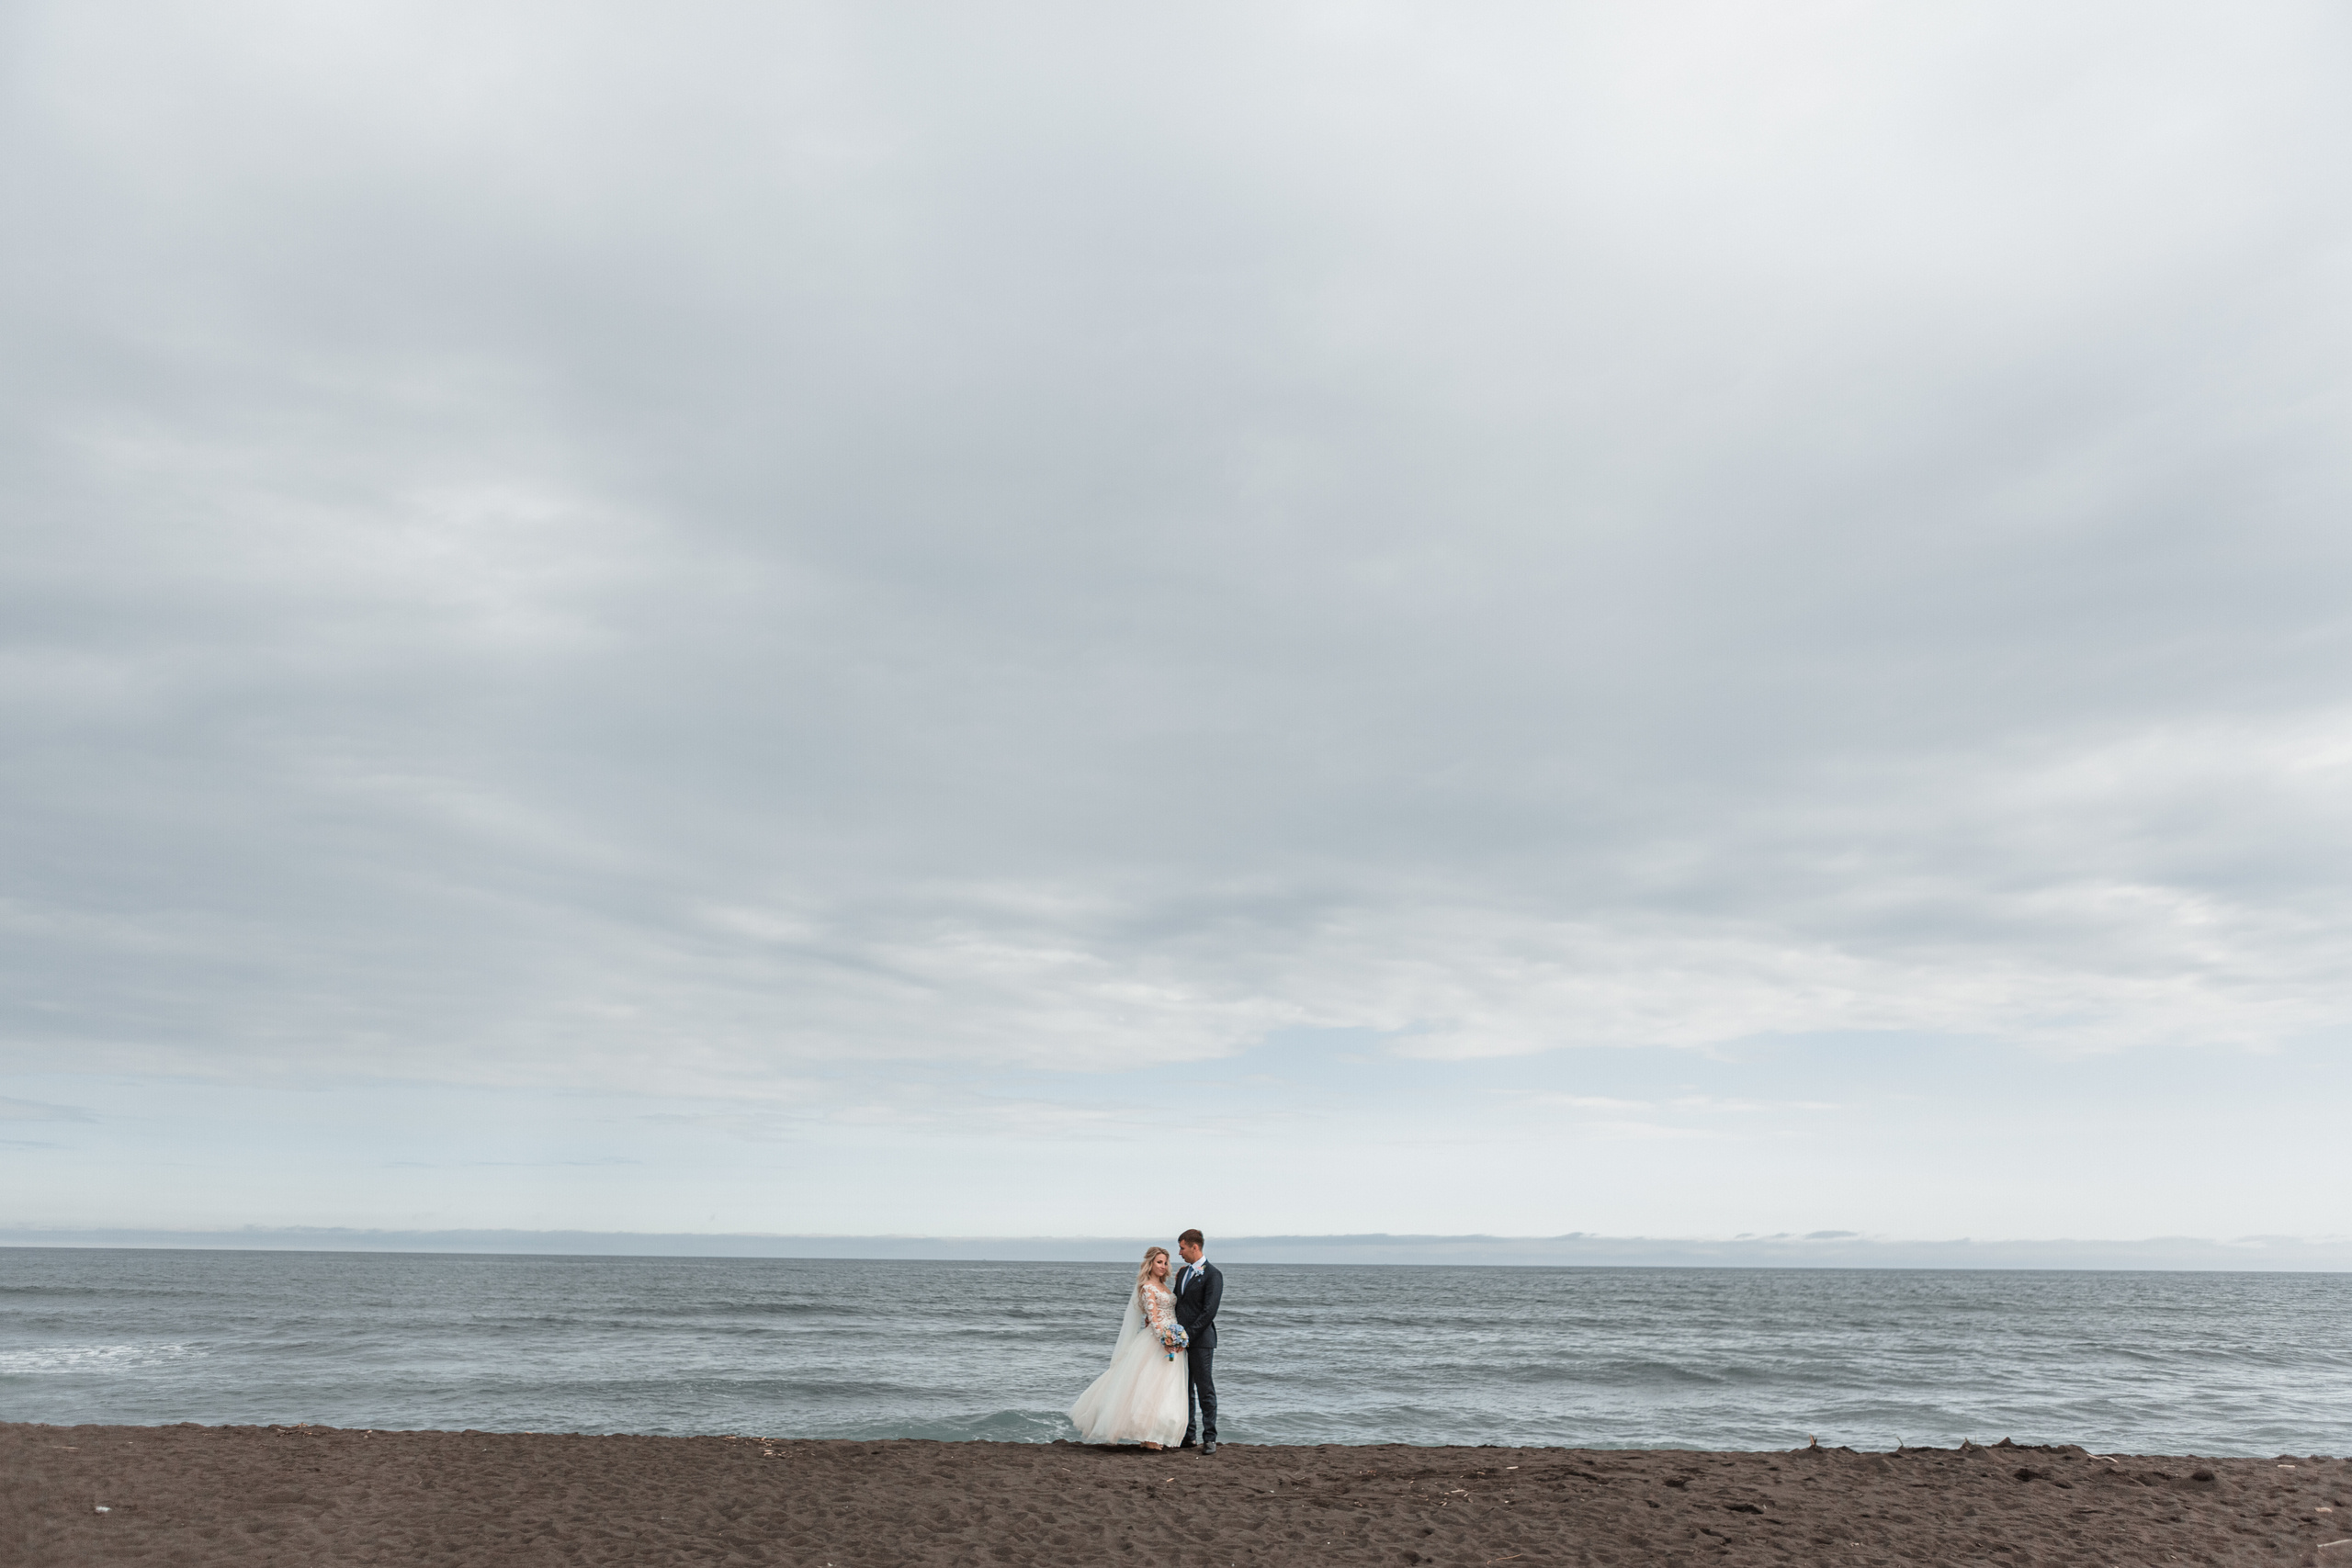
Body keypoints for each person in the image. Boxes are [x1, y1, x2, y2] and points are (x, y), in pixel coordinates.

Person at [1066, 1246, 1190, 1449]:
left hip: (1171, 1339)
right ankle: (1148, 1438)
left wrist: (1177, 1338)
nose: (1163, 1266)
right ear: (1150, 1264)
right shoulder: (1148, 1287)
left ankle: (1152, 1435)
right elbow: (1153, 1318)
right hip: (1157, 1342)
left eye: (1165, 1262)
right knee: (1148, 1389)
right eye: (1159, 1262)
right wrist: (1166, 1340)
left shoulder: (1165, 1286)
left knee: (1165, 1390)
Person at [1172, 1228, 1221, 1454]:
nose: (1179, 1252)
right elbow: (1177, 1304)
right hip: (1181, 1341)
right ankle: (1188, 1436)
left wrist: (1188, 1335)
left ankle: (1210, 1437)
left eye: (1182, 1248)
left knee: (1204, 1389)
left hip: (1201, 1341)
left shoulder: (1213, 1274)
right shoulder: (1182, 1274)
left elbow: (1209, 1311)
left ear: (1195, 1247)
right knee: (1185, 1389)